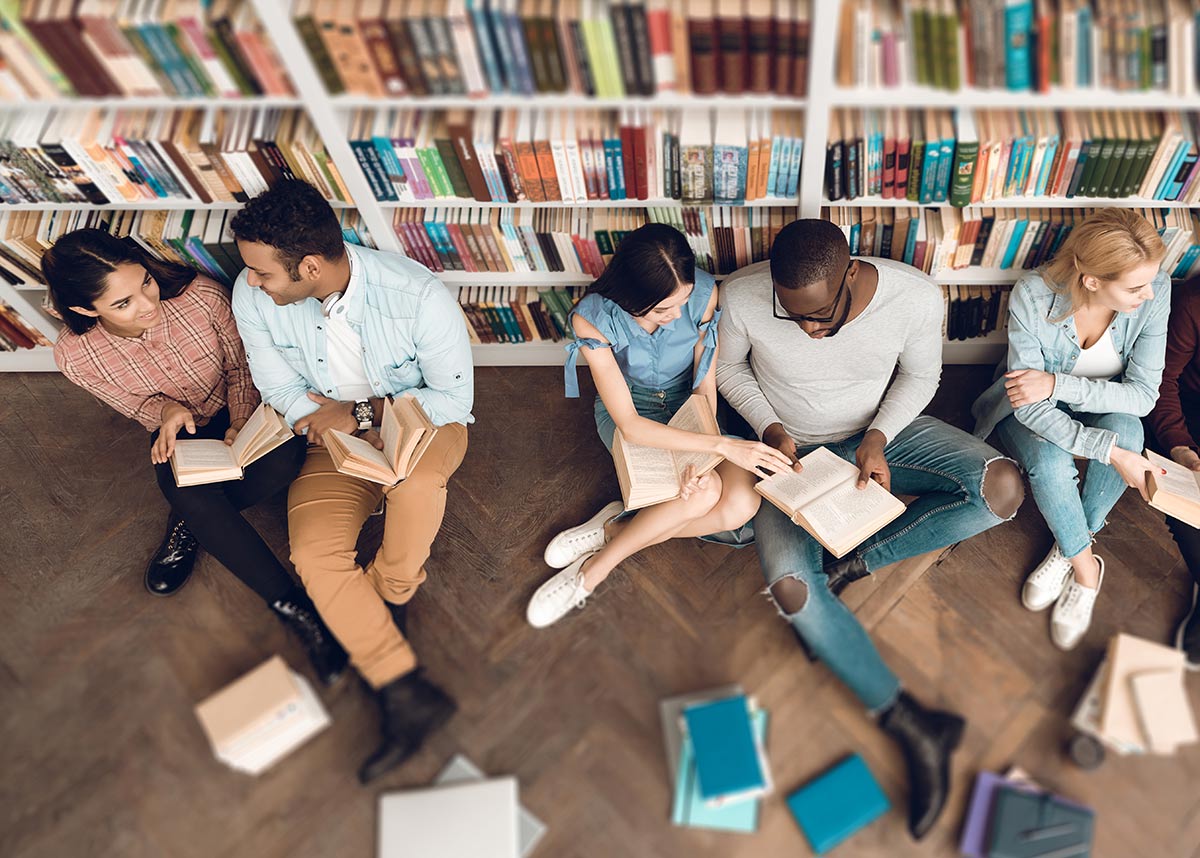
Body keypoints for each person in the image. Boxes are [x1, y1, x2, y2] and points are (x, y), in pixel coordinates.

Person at [717, 218, 1025, 840]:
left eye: (821, 318)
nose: (806, 329)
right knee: (792, 592)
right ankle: (911, 724)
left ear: (851, 274)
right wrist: (771, 429)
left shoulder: (912, 296)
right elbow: (729, 373)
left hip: (879, 431)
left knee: (1001, 490)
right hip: (789, 447)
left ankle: (853, 562)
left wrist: (881, 438)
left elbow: (920, 377)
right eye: (792, 315)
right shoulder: (742, 296)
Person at [228, 180, 472, 783]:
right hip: (329, 439)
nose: (251, 282)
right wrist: (328, 423)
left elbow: (452, 400)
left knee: (419, 491)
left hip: (421, 426)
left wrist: (363, 414)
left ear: (309, 267)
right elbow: (280, 390)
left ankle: (389, 598)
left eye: (263, 273)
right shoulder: (251, 295)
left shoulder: (417, 296)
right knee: (313, 552)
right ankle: (405, 689)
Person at [46, 228, 346, 686]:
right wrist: (163, 410)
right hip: (178, 430)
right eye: (122, 303)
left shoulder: (202, 298)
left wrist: (241, 419)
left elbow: (241, 365)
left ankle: (190, 523)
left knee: (282, 464)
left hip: (246, 406)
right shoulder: (74, 356)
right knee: (192, 490)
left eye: (144, 283)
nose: (148, 304)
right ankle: (297, 611)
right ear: (87, 309)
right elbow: (134, 406)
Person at [526, 224, 792, 628]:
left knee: (740, 505)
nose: (674, 319)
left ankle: (614, 531)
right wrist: (719, 450)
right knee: (705, 497)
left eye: (681, 304)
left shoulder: (704, 294)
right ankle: (592, 573)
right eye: (661, 310)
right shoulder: (591, 318)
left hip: (693, 408)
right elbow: (630, 425)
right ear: (632, 299)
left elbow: (704, 381)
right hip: (634, 414)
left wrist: (702, 448)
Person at [974, 209, 1166, 652]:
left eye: (1150, 281)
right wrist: (1110, 453)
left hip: (1101, 401)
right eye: (1135, 288)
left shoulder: (1156, 292)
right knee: (1048, 460)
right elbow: (1029, 405)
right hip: (1029, 411)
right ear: (1093, 281)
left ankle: (1068, 544)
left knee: (1129, 434)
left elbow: (1142, 397)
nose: (1149, 294)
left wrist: (1059, 383)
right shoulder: (1033, 296)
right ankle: (1086, 569)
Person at [1145, 275, 1200, 669]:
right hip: (1183, 405)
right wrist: (1184, 449)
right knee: (1190, 502)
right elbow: (1162, 384)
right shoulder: (1192, 303)